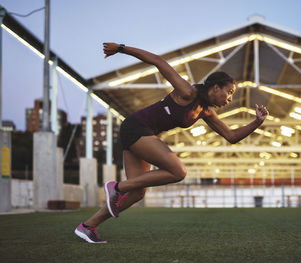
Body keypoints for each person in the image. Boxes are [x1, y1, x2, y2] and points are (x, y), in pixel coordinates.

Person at [74, 43, 269, 243]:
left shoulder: (205, 111)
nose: (229, 99)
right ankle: (116, 188)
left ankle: (88, 226)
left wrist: (256, 122)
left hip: (142, 133)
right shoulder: (187, 91)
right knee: (178, 171)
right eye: (229, 92)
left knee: (137, 193)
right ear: (215, 87)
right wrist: (121, 48)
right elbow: (158, 61)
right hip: (136, 127)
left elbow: (231, 136)